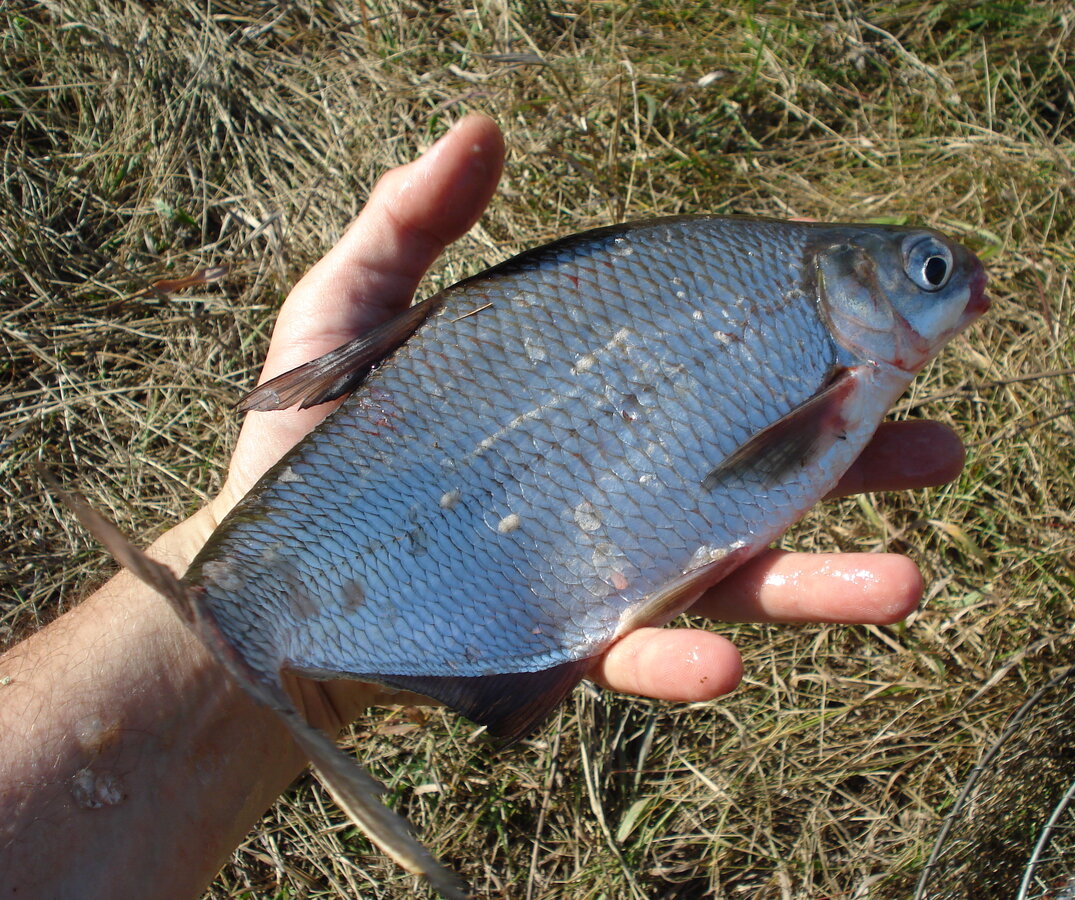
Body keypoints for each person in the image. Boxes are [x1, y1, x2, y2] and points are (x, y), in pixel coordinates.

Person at [0, 114, 965, 898]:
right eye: (928, 272)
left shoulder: (804, 320)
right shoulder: (809, 325)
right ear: (846, 278)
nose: (951, 284)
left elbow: (762, 469)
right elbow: (772, 467)